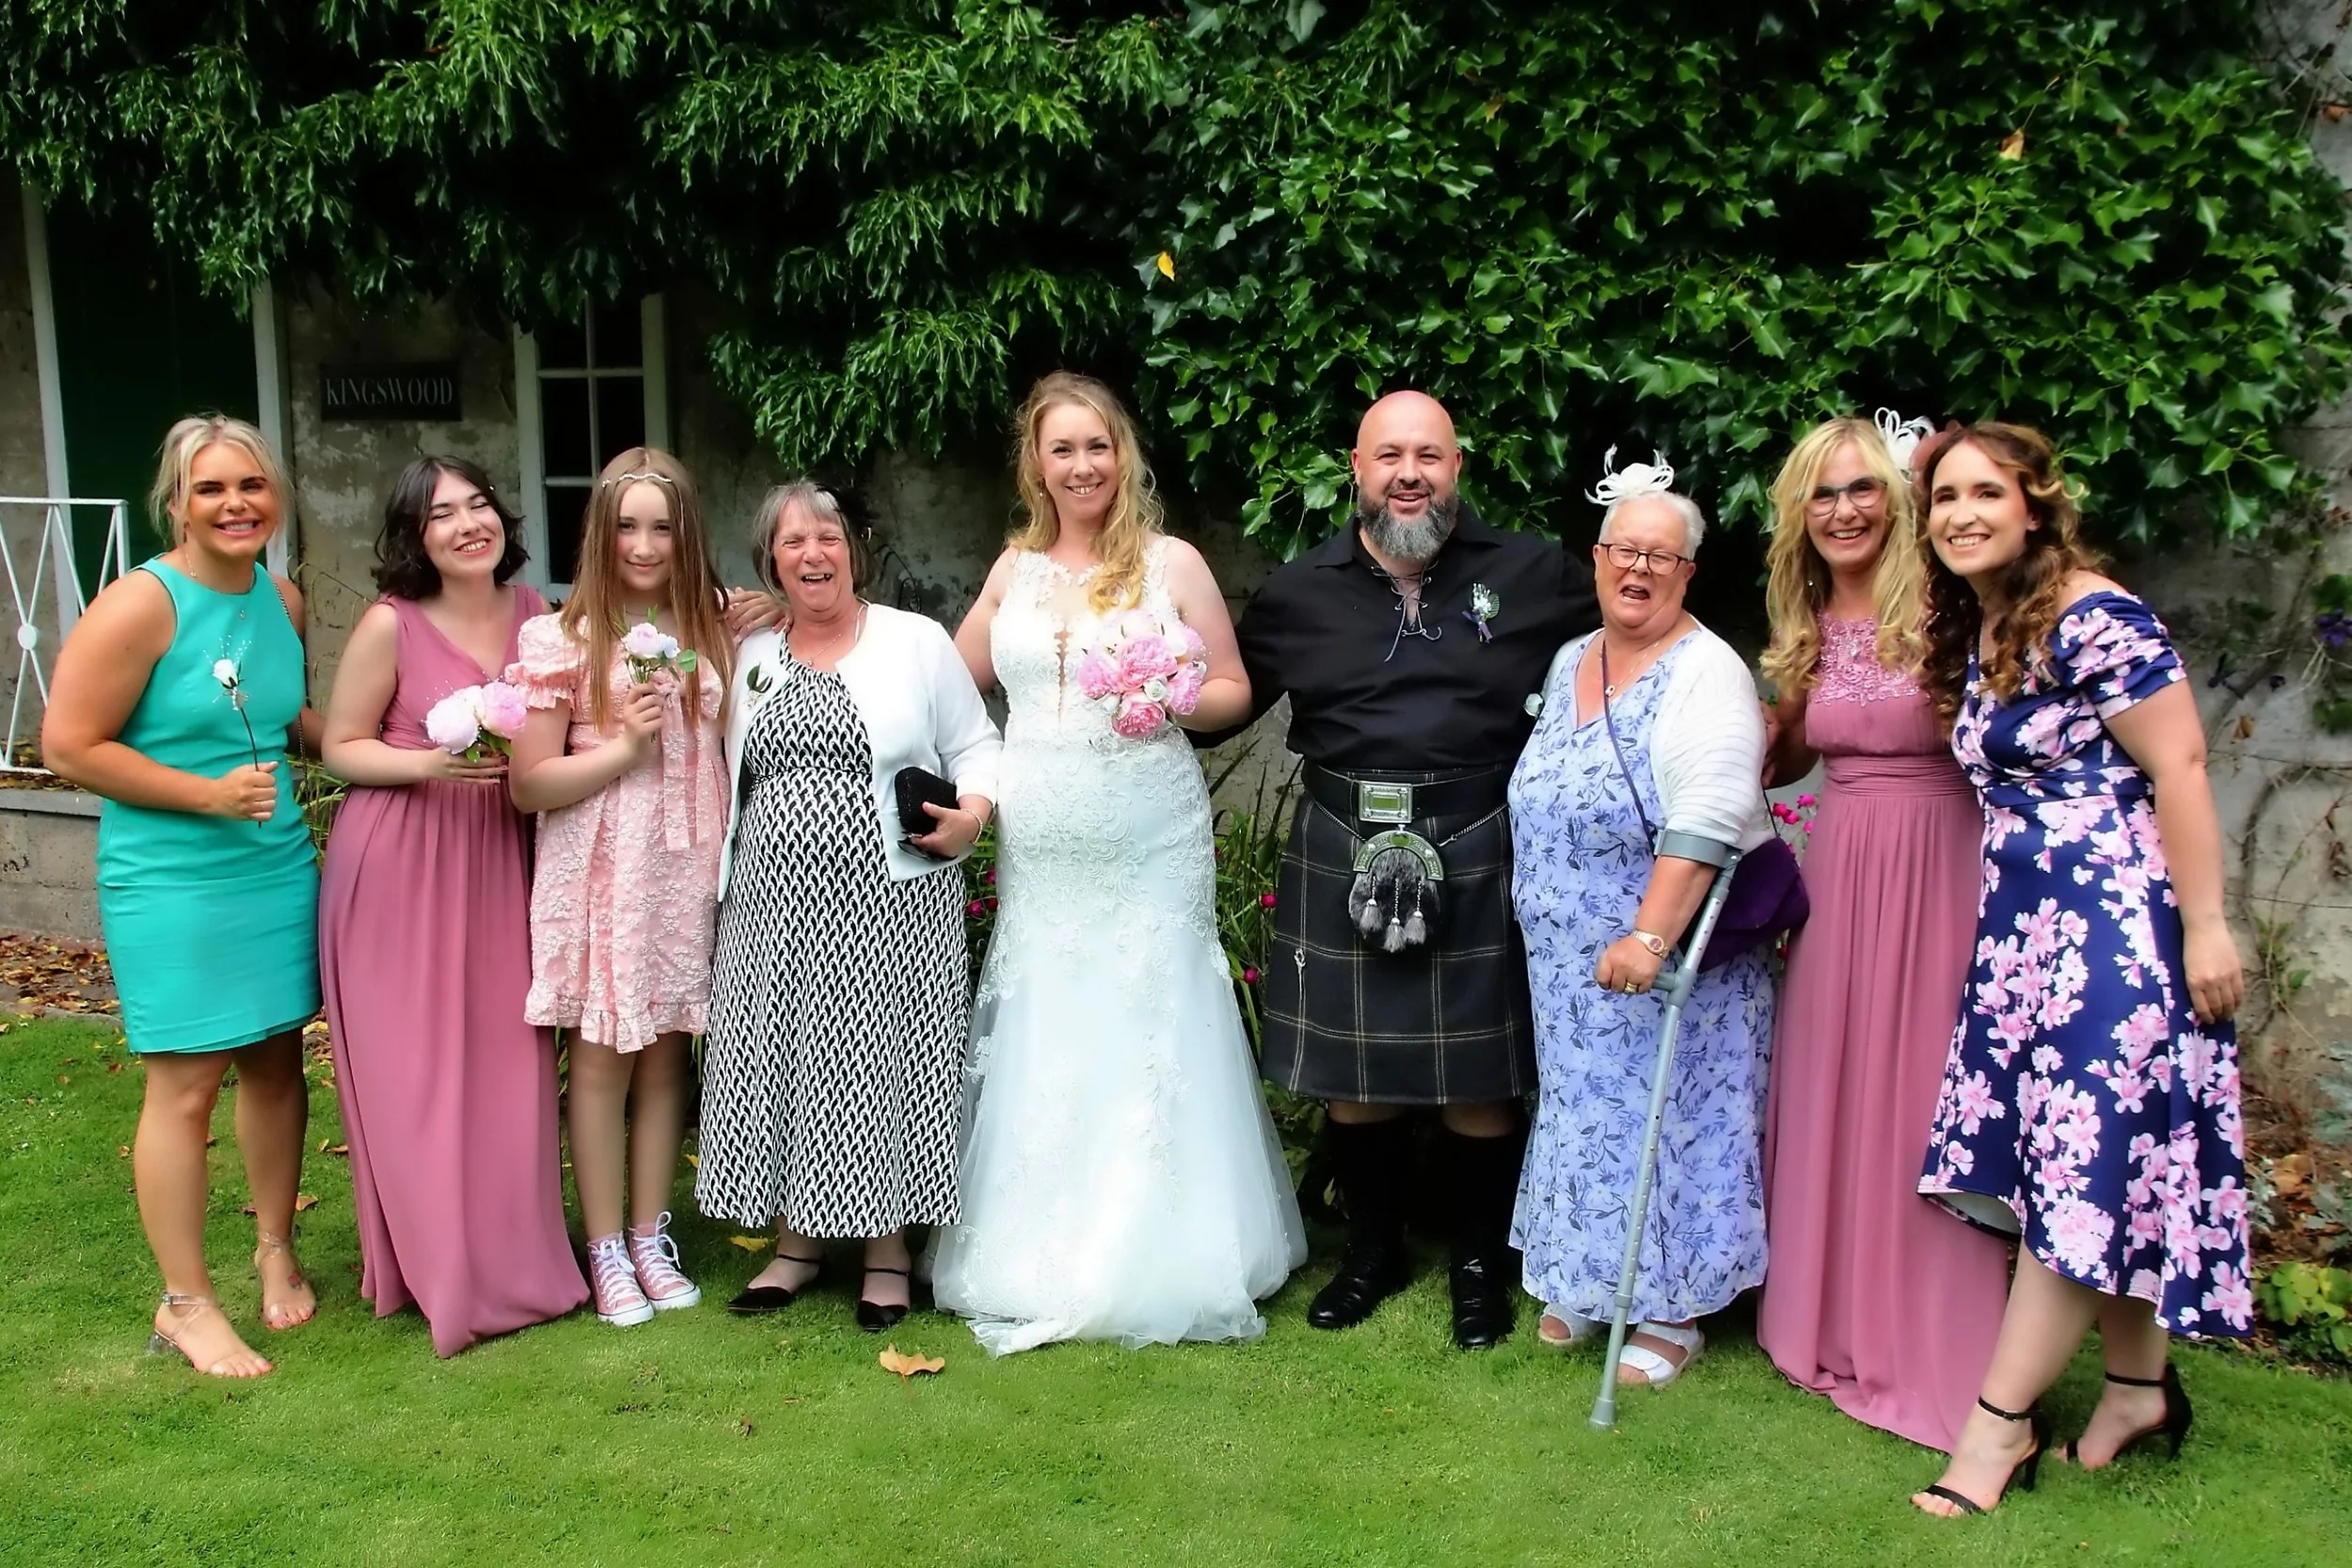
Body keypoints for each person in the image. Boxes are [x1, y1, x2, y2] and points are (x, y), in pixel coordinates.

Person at [1908, 423, 2248, 1516]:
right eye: (1942, 495)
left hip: (2116, 933)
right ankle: (2138, 1389)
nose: (1959, 512)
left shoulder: (2092, 614)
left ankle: (1996, 1425)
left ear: (2034, 503)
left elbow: (2181, 762)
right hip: (2032, 937)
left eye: (1982, 492)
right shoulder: (1991, 619)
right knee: (2096, 1167)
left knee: (2074, 1169)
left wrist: (2205, 927)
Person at [930, 371, 1305, 1354]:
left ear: (1122, 455)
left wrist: (1175, 693)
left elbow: (1233, 687)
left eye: (1098, 445)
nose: (1082, 464)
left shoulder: (1169, 562)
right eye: (1063, 448)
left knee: (1150, 1012)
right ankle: (1038, 1244)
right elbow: (943, 676)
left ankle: (1167, 1239)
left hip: (1147, 827)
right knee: (1052, 1014)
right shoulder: (1012, 569)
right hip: (1045, 837)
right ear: (1037, 464)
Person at [1227, 390, 1598, 1349]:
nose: (1408, 472)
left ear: (1457, 467)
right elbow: (1221, 700)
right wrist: (1120, 686)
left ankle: (1480, 1263)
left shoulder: (1538, 573)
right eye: (1388, 453)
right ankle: (1372, 1250)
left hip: (1478, 830)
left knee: (1481, 1075)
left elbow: (1631, 643)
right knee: (1354, 1076)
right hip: (1343, 830)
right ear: (1354, 467)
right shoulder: (1296, 591)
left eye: (1428, 454)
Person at [41, 415, 321, 1377]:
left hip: (273, 858)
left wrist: (400, 749)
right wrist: (204, 792)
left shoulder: (279, 596)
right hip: (174, 871)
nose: (235, 503)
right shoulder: (141, 604)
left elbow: (289, 720)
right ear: (177, 502)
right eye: (212, 489)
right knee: (187, 1080)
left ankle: (276, 1244)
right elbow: (67, 744)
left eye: (250, 485)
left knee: (280, 1057)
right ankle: (186, 1302)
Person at [1753, 417, 2012, 1448]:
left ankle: (1929, 1335)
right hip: (1841, 869)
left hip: (1940, 865)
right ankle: (1825, 1316)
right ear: (1797, 512)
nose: (1844, 509)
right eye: (1822, 494)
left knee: (1915, 1094)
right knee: (1832, 1084)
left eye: (1863, 488)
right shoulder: (1803, 614)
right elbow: (1776, 758)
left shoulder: (1952, 606)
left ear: (1896, 498)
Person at [696, 483, 1001, 1331]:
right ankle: (795, 1248)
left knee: (880, 1063)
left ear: (853, 549)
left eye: (826, 536)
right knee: (784, 1062)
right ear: (771, 562)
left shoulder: (914, 640)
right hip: (770, 899)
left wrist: (972, 816)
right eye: (792, 541)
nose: (812, 553)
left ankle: (887, 1254)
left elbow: (978, 745)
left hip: (891, 896)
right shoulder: (749, 650)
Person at [1505, 463, 1774, 1386]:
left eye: (1662, 555)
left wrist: (1650, 936)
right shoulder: (1568, 657)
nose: (1639, 568)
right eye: (1625, 549)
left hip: (1659, 956)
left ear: (1688, 572)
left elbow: (1706, 815)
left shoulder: (1707, 671)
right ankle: (1590, 1274)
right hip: (1567, 960)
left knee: (1674, 1118)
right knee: (1590, 1117)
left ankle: (1675, 1307)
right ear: (1596, 557)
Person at [316, 456, 589, 1355]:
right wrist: (430, 764)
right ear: (414, 535)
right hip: (400, 855)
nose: (469, 523)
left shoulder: (537, 617)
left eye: (478, 505)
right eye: (443, 514)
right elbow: (342, 745)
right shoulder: (389, 624)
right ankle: (440, 1272)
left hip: (500, 855)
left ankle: (520, 1263)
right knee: (418, 1071)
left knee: (507, 1060)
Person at [507, 447, 735, 1327]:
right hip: (607, 860)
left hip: (687, 861)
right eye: (629, 525)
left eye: (663, 526)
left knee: (669, 1050)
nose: (645, 544)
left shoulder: (712, 623)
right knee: (604, 1054)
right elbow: (530, 782)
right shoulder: (562, 638)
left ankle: (650, 1231)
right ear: (603, 532)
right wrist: (621, 748)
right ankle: (603, 1246)